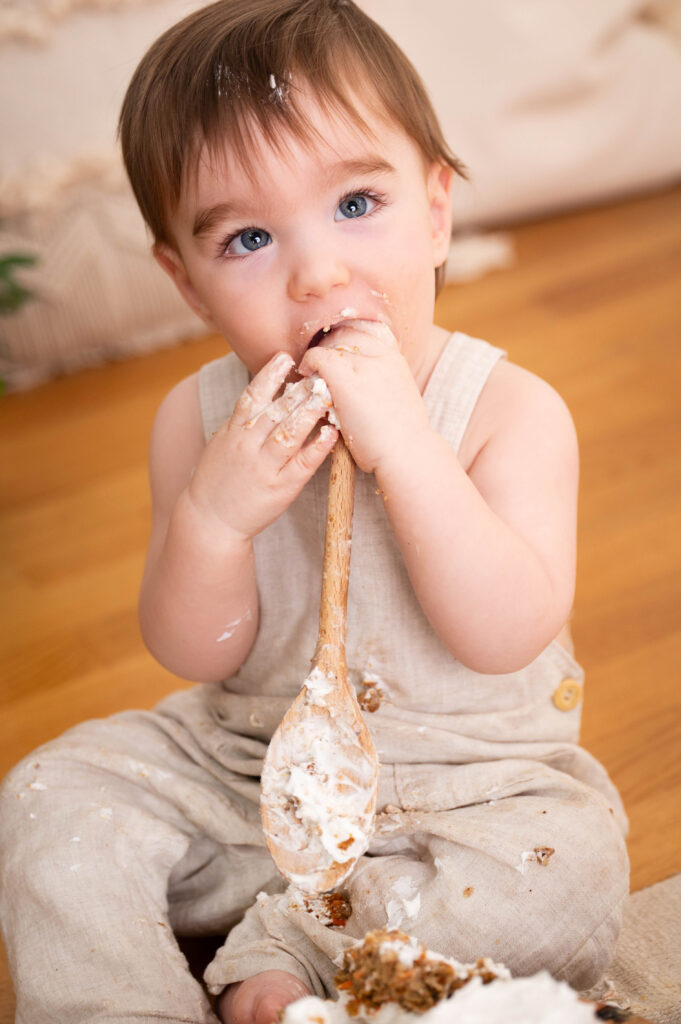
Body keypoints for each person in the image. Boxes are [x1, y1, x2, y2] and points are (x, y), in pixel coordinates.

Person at [0, 2, 629, 1022]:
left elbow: (505, 631)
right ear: (188, 281)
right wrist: (213, 517)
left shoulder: (511, 413)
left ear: (435, 213)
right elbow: (194, 649)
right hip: (250, 774)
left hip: (473, 801)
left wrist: (409, 450)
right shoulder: (197, 423)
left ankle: (301, 943)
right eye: (248, 237)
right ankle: (128, 1003)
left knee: (569, 877)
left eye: (356, 205)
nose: (317, 273)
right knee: (48, 793)